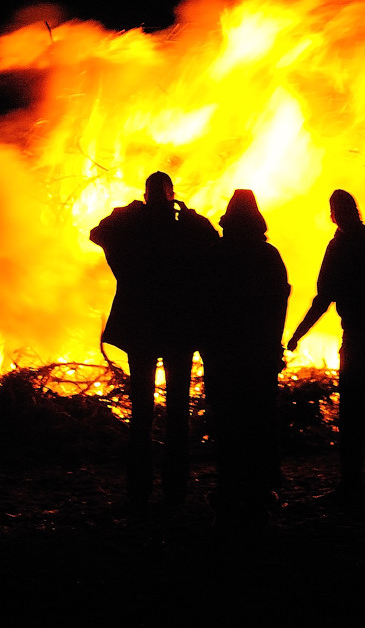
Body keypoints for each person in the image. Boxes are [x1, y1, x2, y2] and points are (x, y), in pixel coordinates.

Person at [90, 171, 218, 510]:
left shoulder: (133, 229)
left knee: (142, 411)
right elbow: (214, 244)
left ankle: (140, 490)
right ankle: (174, 490)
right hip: (179, 328)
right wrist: (189, 213)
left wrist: (130, 210)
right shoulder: (185, 229)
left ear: (146, 196)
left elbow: (99, 232)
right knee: (177, 411)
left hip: (142, 328)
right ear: (172, 194)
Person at [287, 189, 365, 506]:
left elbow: (323, 297)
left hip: (358, 335)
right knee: (354, 410)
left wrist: (297, 334)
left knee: (354, 410)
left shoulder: (341, 246)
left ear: (335, 214)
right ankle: (360, 483)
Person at [203, 190, 290, 532]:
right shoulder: (268, 256)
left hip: (223, 355)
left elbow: (204, 303)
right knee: (260, 422)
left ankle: (228, 490)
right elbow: (278, 304)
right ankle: (260, 492)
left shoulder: (216, 254)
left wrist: (208, 345)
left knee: (227, 423)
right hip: (258, 353)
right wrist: (274, 346)